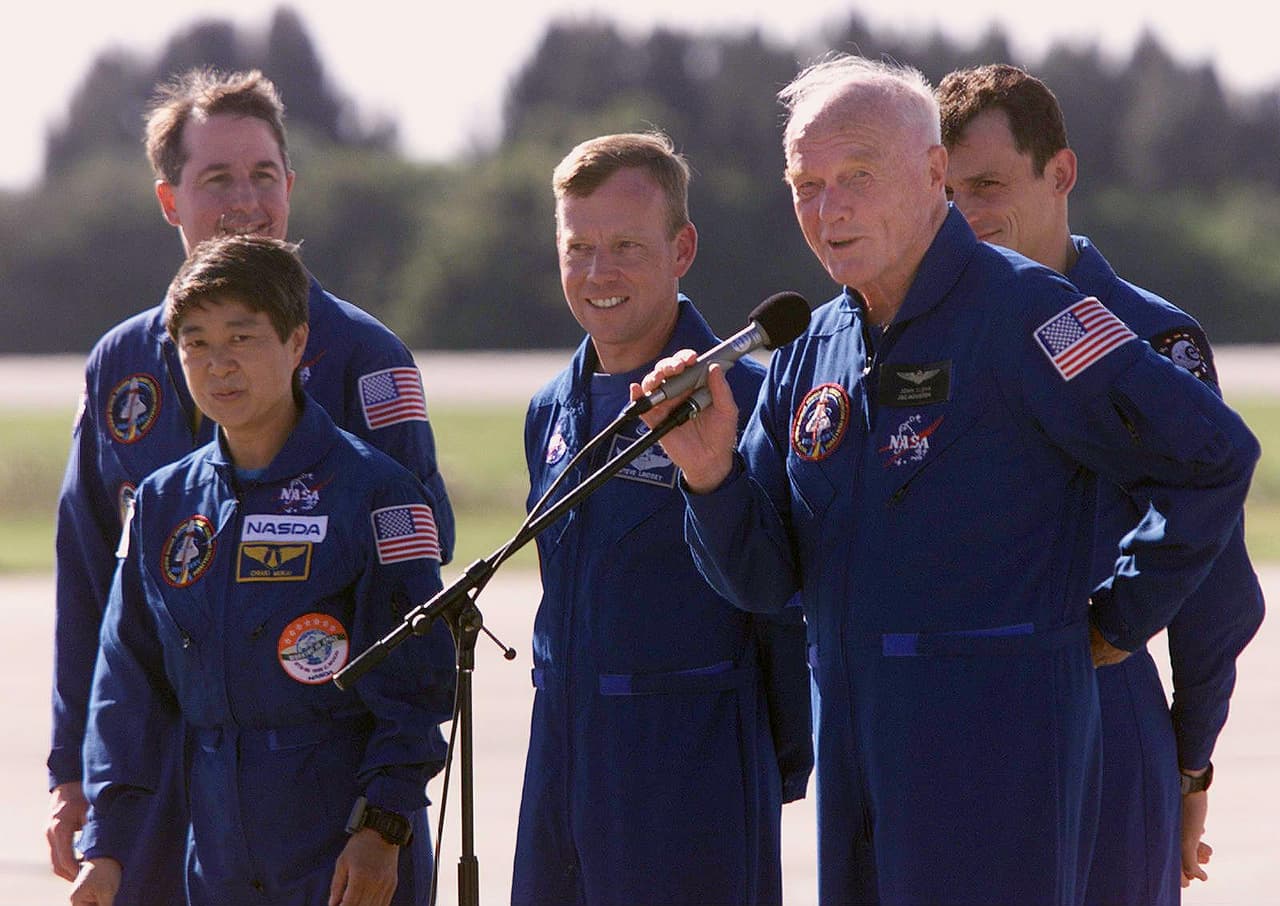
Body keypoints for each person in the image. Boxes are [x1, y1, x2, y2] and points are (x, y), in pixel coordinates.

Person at [638, 55, 1260, 905]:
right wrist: (709, 475)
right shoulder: (812, 348)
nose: (830, 209)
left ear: (935, 173)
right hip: (855, 760)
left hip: (998, 768)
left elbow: (1213, 457)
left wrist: (1122, 614)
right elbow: (767, 579)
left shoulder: (1031, 313)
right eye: (806, 183)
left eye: (858, 175)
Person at [47, 68, 455, 903]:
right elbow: (92, 581)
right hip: (167, 766)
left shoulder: (365, 356)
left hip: (319, 775)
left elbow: (415, 578)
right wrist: (75, 772)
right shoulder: (125, 364)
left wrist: (382, 812)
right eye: (218, 178)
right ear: (170, 200)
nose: (245, 200)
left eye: (264, 175)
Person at [936, 62, 1265, 904]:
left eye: (988, 184)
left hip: (1094, 702)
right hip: (946, 713)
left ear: (1062, 173)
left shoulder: (1151, 339)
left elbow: (1214, 585)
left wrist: (1191, 762)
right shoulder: (921, 343)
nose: (967, 217)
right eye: (947, 192)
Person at [511, 131, 812, 906]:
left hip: (690, 768)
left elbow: (780, 600)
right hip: (563, 762)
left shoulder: (752, 398)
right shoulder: (551, 407)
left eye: (625, 247)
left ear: (683, 250)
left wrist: (769, 762)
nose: (597, 273)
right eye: (577, 247)